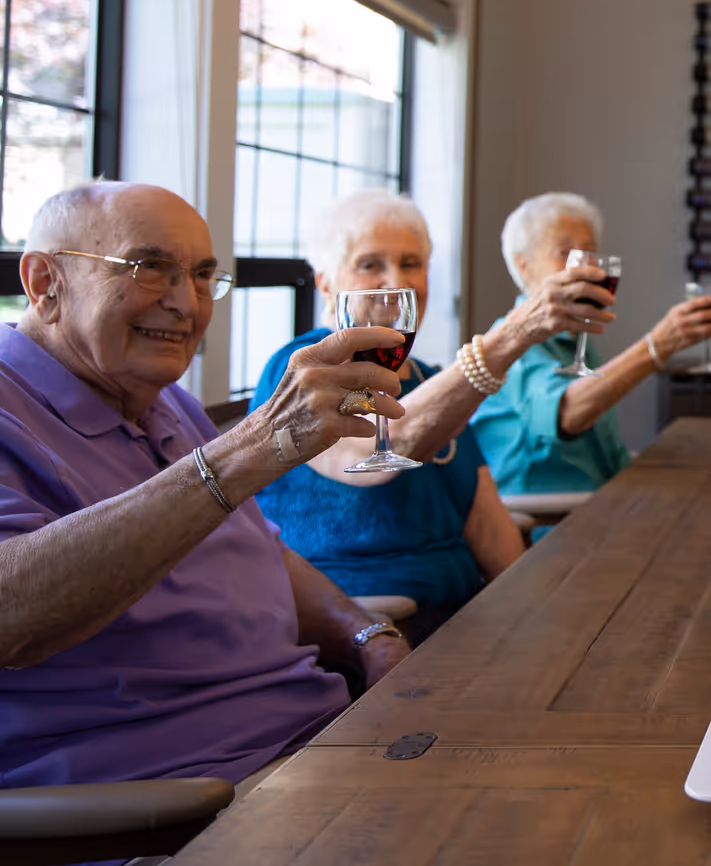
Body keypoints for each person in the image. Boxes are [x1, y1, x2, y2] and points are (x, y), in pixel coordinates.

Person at [0, 183, 413, 789]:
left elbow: (258, 553)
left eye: (201, 276)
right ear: (43, 282)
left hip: (321, 739)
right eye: (150, 268)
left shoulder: (170, 403)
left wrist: (368, 637)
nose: (185, 303)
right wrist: (244, 451)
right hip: (174, 800)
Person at [251, 190, 590, 638]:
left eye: (411, 264)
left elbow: (485, 522)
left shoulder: (430, 378)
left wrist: (542, 617)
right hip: (366, 628)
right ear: (327, 284)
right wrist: (512, 335)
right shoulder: (304, 369)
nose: (396, 281)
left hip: (464, 614)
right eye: (370, 264)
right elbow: (389, 442)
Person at [471, 192, 711, 495]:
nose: (586, 268)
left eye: (590, 252)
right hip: (545, 525)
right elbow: (567, 414)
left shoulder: (574, 338)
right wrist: (657, 346)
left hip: (601, 505)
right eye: (565, 253)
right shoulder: (512, 345)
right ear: (524, 266)